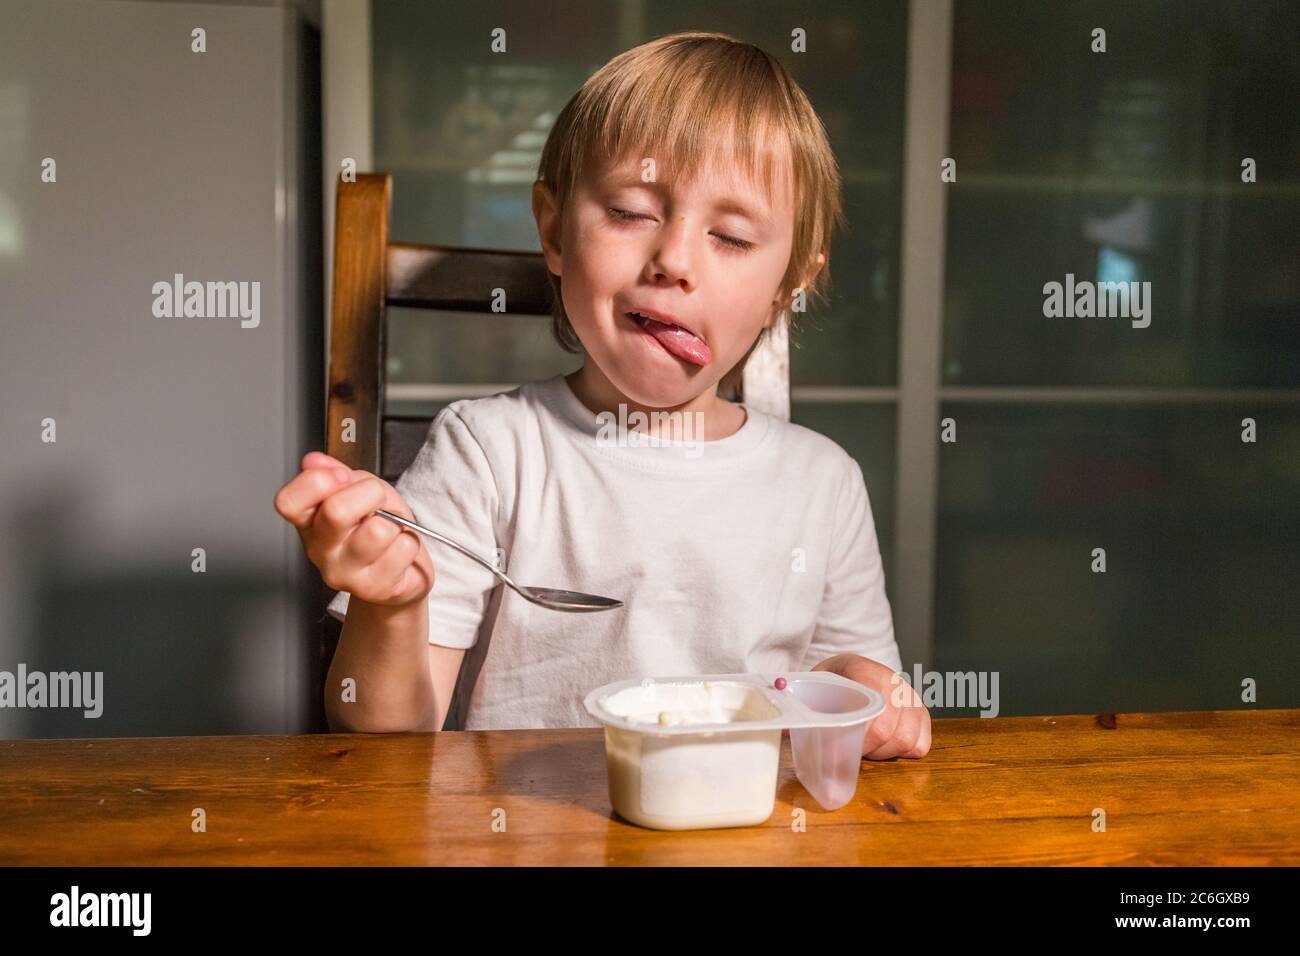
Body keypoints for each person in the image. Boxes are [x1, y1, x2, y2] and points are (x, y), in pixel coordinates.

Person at [274, 32, 930, 760]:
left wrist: (865, 688)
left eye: (733, 237)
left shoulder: (823, 482)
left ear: (786, 290)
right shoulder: (490, 451)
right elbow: (384, 736)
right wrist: (392, 607)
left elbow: (851, 689)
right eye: (630, 212)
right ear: (554, 231)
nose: (674, 260)